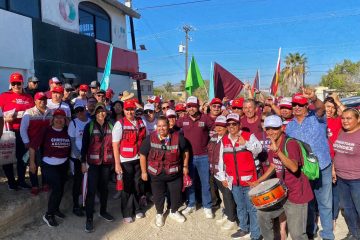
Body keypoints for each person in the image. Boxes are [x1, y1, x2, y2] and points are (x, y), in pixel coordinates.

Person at [252, 115, 314, 240]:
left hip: (297, 194)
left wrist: (278, 152)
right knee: (263, 214)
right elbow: (274, 165)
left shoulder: (290, 144)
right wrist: (258, 181)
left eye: (274, 128)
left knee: (297, 234)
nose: (271, 132)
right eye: (268, 129)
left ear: (281, 128)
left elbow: (294, 168)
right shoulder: (273, 143)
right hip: (281, 192)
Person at [285, 89, 334, 240]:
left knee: (325, 203)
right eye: (294, 104)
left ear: (306, 106)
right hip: (304, 171)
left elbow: (320, 107)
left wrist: (313, 97)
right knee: (309, 203)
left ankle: (327, 235)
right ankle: (311, 230)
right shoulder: (289, 126)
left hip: (322, 166)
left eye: (300, 104)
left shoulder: (316, 117)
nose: (296, 107)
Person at [218, 113, 262, 240]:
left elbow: (258, 150)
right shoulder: (224, 140)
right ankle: (244, 228)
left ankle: (255, 234)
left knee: (252, 209)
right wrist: (223, 177)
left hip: (249, 181)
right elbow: (221, 160)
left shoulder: (249, 136)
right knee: (240, 206)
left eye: (234, 124)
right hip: (234, 181)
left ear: (239, 124)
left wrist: (246, 143)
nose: (231, 126)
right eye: (229, 124)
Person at [139, 116, 189, 227]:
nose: (161, 128)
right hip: (156, 174)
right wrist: (143, 172)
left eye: (164, 126)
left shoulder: (178, 138)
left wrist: (185, 166)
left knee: (176, 194)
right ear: (156, 127)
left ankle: (174, 211)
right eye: (159, 126)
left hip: (174, 174)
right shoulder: (150, 138)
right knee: (158, 195)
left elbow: (185, 151)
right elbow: (142, 154)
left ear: (169, 126)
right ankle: (159, 213)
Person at [29, 109, 71, 227]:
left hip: (63, 164)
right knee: (57, 188)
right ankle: (48, 215)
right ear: (52, 119)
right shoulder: (46, 130)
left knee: (61, 188)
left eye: (62, 118)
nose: (59, 120)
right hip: (49, 164)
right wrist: (32, 163)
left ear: (65, 120)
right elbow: (32, 147)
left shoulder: (67, 131)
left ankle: (56, 209)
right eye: (56, 117)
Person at [177, 96, 214, 219]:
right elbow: (173, 128)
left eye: (193, 105)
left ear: (197, 106)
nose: (191, 108)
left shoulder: (205, 118)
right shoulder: (183, 119)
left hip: (203, 156)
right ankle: (191, 204)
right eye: (189, 106)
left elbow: (214, 129)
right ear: (186, 107)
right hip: (189, 158)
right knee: (190, 182)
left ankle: (207, 206)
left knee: (205, 183)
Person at [81, 102, 115, 232]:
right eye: (98, 111)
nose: (101, 113)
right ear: (95, 113)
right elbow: (84, 146)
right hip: (93, 164)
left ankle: (103, 211)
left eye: (103, 111)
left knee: (104, 189)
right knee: (91, 191)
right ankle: (89, 219)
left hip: (106, 164)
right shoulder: (88, 126)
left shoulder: (111, 125)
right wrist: (83, 163)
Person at [112, 100, 147, 223]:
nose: (130, 112)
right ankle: (127, 212)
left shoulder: (140, 122)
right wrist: (117, 164)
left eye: (132, 109)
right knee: (127, 187)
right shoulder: (119, 124)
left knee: (137, 185)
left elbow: (144, 139)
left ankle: (137, 209)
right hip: (125, 160)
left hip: (138, 159)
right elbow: (115, 145)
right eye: (127, 109)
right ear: (123, 110)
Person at [0, 72, 34, 190]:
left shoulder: (29, 97)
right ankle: (11, 182)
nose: (16, 86)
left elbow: (33, 113)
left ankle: (21, 181)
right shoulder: (4, 96)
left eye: (18, 83)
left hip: (24, 132)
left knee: (22, 157)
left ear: (22, 83)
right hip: (8, 132)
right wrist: (6, 118)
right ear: (11, 84)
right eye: (13, 83)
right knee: (7, 157)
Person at [333, 108, 360, 240]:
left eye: (349, 118)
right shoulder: (341, 132)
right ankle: (355, 234)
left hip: (357, 180)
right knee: (348, 209)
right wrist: (333, 169)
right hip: (341, 178)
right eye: (343, 118)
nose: (345, 121)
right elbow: (337, 153)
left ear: (358, 119)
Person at [20, 92, 52, 195]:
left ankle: (45, 183)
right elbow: (23, 129)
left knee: (45, 164)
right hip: (33, 143)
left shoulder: (50, 112)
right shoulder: (28, 113)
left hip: (46, 143)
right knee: (33, 164)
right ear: (35, 101)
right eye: (40, 99)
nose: (42, 101)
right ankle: (34, 185)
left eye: (44, 99)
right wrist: (26, 142)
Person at [209, 116, 237, 231]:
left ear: (226, 127)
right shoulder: (213, 137)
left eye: (222, 126)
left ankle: (232, 219)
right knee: (222, 195)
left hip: (225, 173)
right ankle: (227, 213)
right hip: (215, 172)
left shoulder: (229, 138)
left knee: (228, 195)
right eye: (217, 125)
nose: (219, 128)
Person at [324, 93, 345, 228]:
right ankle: (322, 214)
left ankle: (333, 217)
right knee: (323, 190)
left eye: (332, 107)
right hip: (321, 160)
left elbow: (349, 114)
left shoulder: (338, 120)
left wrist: (337, 101)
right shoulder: (319, 120)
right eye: (327, 106)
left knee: (334, 190)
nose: (329, 110)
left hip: (336, 159)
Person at [68, 102, 90, 217]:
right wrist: (81, 157)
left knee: (88, 182)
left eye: (81, 109)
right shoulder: (73, 123)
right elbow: (72, 142)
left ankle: (86, 204)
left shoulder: (90, 122)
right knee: (77, 182)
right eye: (77, 111)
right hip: (77, 158)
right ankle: (76, 206)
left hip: (89, 157)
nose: (80, 112)